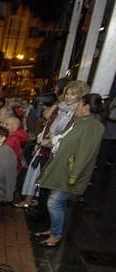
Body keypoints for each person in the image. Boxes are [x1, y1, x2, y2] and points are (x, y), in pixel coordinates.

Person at [34, 93, 105, 247]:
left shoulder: (93, 126)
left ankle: (56, 235)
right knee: (57, 201)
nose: (76, 108)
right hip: (63, 168)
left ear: (86, 107)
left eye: (79, 104)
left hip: (70, 171)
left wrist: (74, 174)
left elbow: (86, 152)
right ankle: (54, 229)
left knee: (54, 202)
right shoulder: (80, 122)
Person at [16, 80, 88, 209]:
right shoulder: (60, 108)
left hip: (58, 150)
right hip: (45, 146)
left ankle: (41, 207)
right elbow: (48, 126)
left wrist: (51, 141)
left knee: (50, 185)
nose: (68, 97)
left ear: (80, 96)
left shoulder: (78, 114)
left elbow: (69, 134)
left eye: (72, 94)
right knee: (35, 173)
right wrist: (40, 142)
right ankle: (32, 201)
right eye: (67, 94)